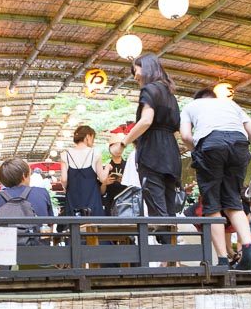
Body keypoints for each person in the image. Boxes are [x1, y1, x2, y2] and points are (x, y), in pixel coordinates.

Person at [179, 87, 251, 269]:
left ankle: (221, 259)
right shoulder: (231, 104)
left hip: (210, 144)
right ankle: (248, 248)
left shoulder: (191, 106)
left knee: (212, 205)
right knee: (233, 202)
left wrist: (198, 150)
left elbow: (186, 136)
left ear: (198, 99)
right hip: (239, 145)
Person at [116, 53, 182, 217]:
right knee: (169, 207)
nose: (135, 76)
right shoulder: (171, 96)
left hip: (152, 153)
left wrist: (123, 143)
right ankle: (170, 241)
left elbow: (146, 121)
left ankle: (164, 241)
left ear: (146, 67)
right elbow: (177, 129)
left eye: (135, 71)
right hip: (171, 154)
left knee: (156, 209)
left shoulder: (149, 89)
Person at [61, 125, 106, 216]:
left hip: (73, 200)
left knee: (73, 227)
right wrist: (108, 168)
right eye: (93, 138)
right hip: (92, 200)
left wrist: (66, 188)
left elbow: (64, 179)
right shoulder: (95, 153)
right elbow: (102, 178)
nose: (93, 141)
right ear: (88, 136)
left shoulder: (65, 154)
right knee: (94, 227)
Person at [100, 134, 128, 214]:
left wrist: (124, 181)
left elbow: (134, 186)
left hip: (126, 202)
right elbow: (102, 192)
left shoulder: (128, 165)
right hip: (110, 202)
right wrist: (104, 183)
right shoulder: (105, 167)